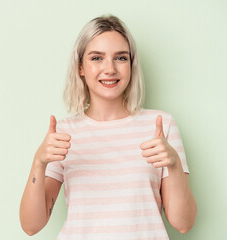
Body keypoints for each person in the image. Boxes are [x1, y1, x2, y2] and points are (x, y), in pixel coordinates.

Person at [19, 15, 197, 240]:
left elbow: (183, 224)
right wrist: (39, 162)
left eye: (120, 58)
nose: (110, 68)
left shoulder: (161, 126)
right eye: (97, 58)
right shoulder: (64, 133)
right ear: (81, 67)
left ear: (131, 65)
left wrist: (173, 164)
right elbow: (31, 226)